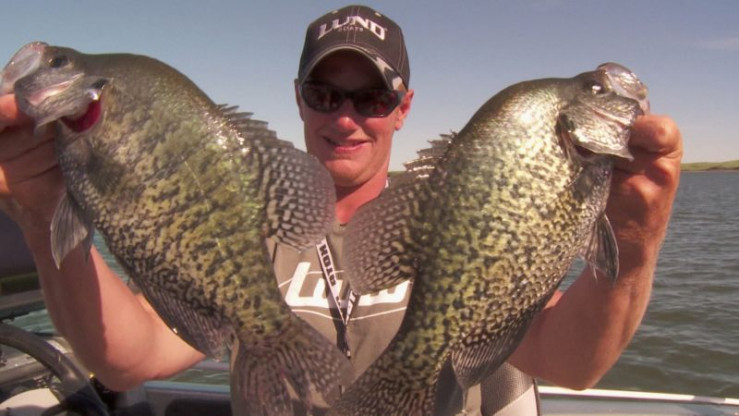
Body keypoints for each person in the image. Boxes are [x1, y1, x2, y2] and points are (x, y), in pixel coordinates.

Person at [0, 4, 682, 415]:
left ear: (403, 108)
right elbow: (127, 360)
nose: (347, 118)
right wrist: (39, 214)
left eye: (372, 98)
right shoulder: (246, 228)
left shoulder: (448, 222)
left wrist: (635, 241)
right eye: (325, 95)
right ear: (298, 98)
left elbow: (572, 364)